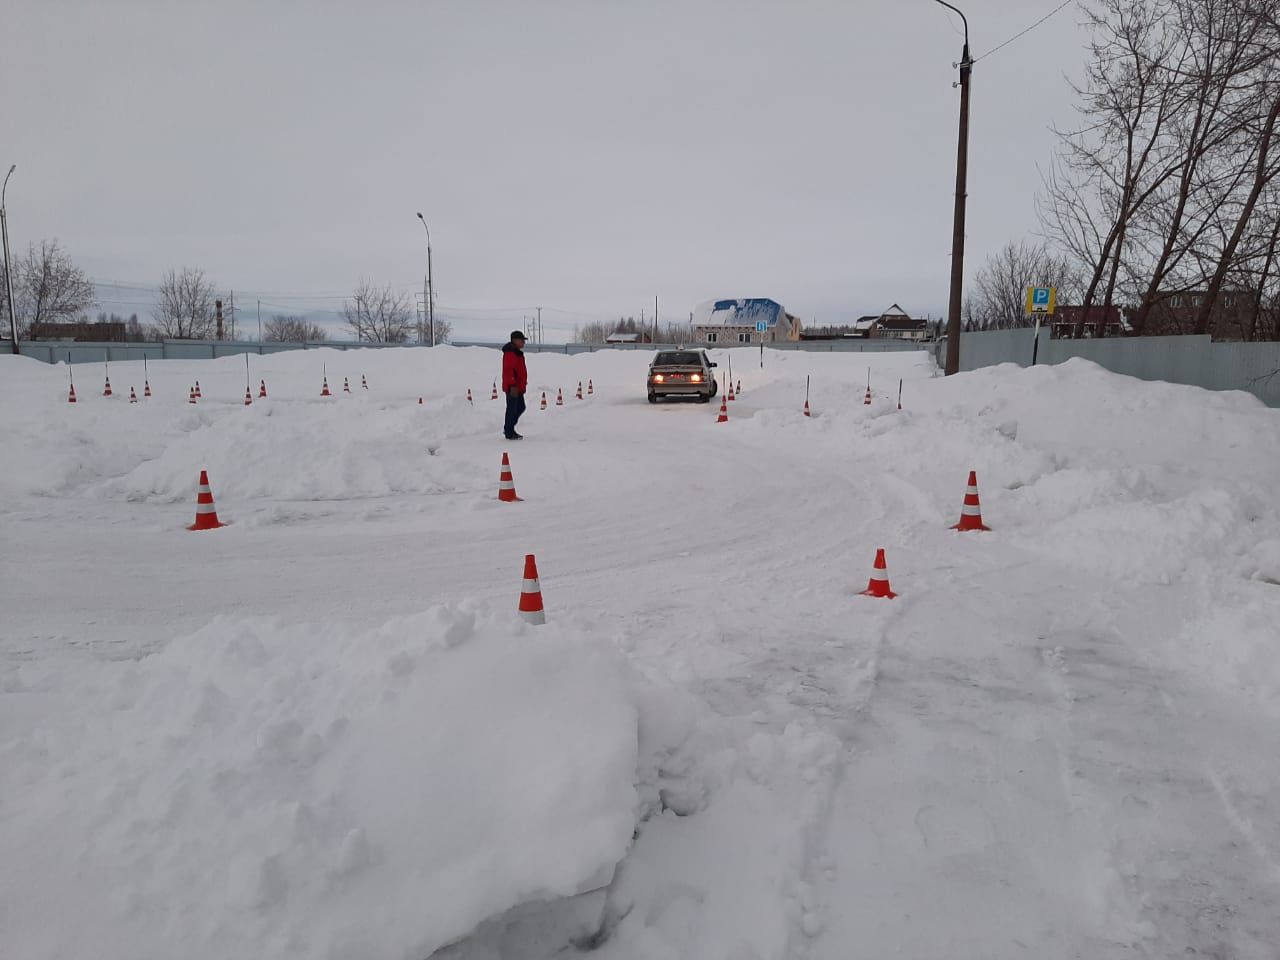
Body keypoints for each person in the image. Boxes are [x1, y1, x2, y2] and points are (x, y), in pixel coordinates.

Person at [501, 330, 528, 440]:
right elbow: (508, 369)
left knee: (521, 407)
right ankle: (509, 431)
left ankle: (509, 428)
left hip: (518, 387)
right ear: (515, 340)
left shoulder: (516, 352)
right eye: (522, 340)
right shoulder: (510, 352)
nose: (524, 343)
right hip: (513, 387)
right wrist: (512, 384)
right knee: (512, 409)